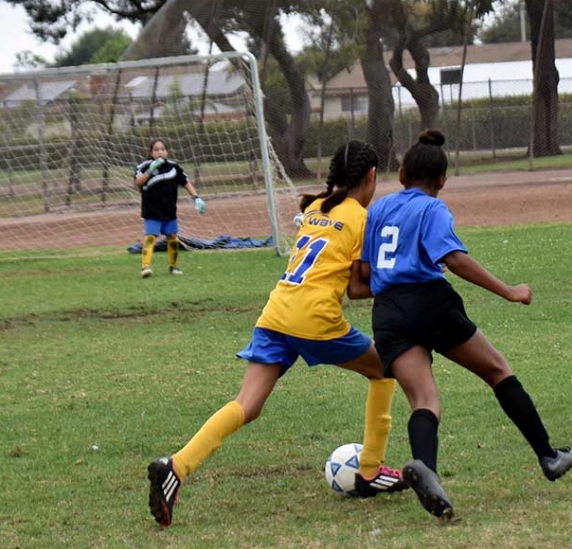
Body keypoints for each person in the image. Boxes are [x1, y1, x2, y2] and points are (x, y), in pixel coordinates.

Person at [147, 140, 408, 528]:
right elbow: (356, 288)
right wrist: (398, 280)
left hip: (276, 312)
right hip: (314, 317)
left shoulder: (315, 207)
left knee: (246, 405)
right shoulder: (360, 218)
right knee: (384, 369)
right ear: (371, 177)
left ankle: (177, 466)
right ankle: (369, 468)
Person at [360, 129, 572, 522]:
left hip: (388, 311)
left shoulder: (377, 211)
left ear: (402, 174)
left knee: (424, 401)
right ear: (442, 181)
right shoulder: (433, 210)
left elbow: (360, 276)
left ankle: (425, 467)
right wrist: (509, 290)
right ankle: (548, 456)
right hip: (429, 302)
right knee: (497, 370)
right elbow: (454, 258)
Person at [134, 139, 207, 278]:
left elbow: (186, 182)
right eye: (156, 149)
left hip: (169, 211)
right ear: (151, 152)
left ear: (166, 151)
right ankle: (145, 267)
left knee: (172, 236)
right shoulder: (143, 167)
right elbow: (138, 183)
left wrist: (196, 198)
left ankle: (173, 267)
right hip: (152, 211)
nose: (160, 152)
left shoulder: (174, 167)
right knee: (150, 237)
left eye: (162, 149)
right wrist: (150, 171)